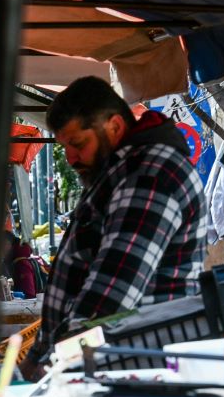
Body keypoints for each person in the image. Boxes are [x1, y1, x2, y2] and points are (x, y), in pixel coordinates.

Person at [28, 75, 206, 371]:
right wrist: (40, 354)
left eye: (78, 143)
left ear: (114, 127)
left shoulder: (149, 175)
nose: (71, 158)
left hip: (133, 369)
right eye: (65, 147)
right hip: (112, 363)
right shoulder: (121, 173)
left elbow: (110, 297)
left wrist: (52, 365)